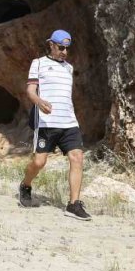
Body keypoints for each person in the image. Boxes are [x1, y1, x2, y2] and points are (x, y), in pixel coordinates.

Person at [18, 30, 91, 221]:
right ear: (51, 44)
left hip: (68, 122)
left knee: (77, 157)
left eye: (67, 48)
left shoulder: (69, 67)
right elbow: (30, 90)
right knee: (39, 162)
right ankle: (25, 185)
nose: (64, 52)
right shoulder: (39, 63)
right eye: (60, 47)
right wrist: (39, 101)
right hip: (46, 123)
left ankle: (73, 204)